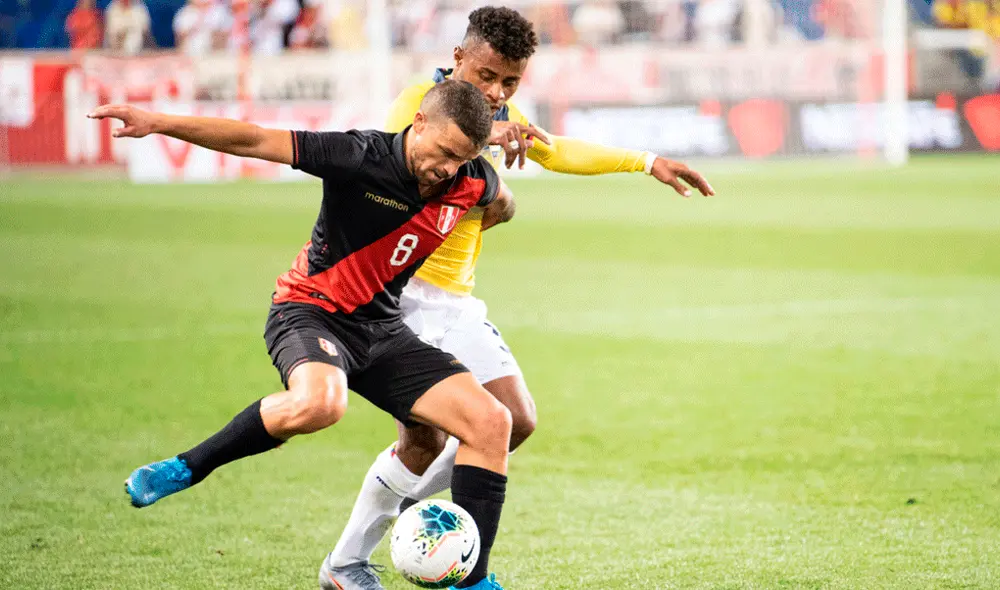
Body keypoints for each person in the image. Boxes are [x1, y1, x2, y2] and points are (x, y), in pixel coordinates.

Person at [321, 6, 715, 590]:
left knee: (516, 420)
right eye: (486, 76)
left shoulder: (503, 114)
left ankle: (425, 516)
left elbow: (557, 151)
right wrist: (485, 144)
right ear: (458, 58)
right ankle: (349, 564)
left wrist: (646, 161)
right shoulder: (417, 106)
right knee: (425, 438)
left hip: (455, 302)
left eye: (510, 83)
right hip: (396, 300)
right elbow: (404, 161)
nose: (496, 92)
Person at [90, 79, 517, 590]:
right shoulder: (357, 155)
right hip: (310, 312)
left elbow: (501, 202)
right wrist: (159, 122)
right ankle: (187, 467)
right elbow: (253, 139)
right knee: (321, 405)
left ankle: (473, 581)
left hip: (382, 327)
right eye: (445, 151)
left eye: (463, 157)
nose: (450, 167)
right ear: (419, 123)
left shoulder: (473, 178)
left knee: (492, 422)